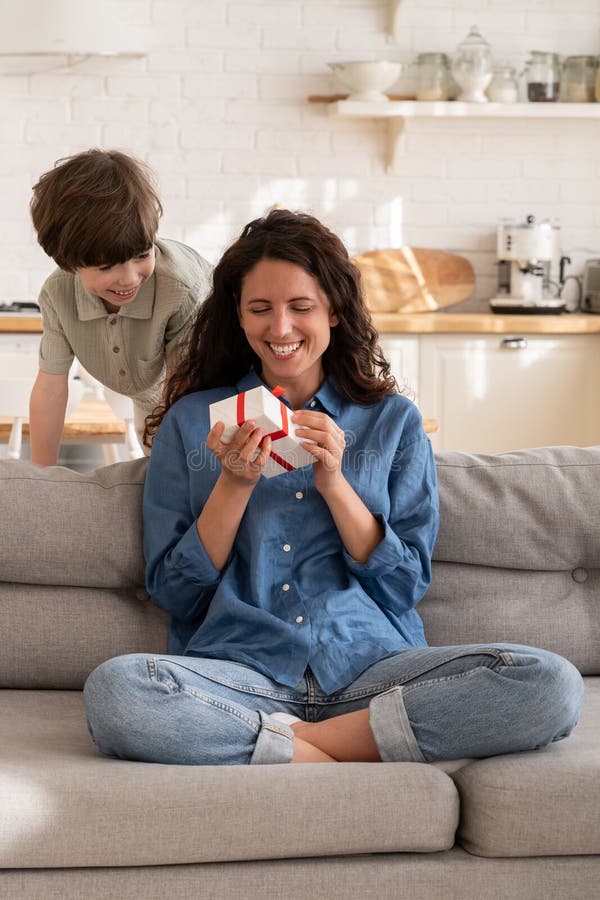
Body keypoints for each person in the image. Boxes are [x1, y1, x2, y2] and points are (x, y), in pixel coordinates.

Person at [83, 209, 583, 766]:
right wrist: (235, 483)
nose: (281, 329)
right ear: (238, 318)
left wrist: (335, 483)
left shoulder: (393, 422)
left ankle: (292, 749)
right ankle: (361, 747)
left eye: (301, 307)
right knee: (118, 691)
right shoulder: (193, 422)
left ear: (335, 312)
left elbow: (404, 586)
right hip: (241, 673)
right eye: (260, 309)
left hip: (371, 668)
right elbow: (176, 594)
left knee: (549, 683)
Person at [28, 148, 212, 464]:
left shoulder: (181, 288)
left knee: (186, 478)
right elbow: (51, 391)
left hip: (208, 395)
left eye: (142, 255)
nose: (128, 279)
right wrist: (42, 475)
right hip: (151, 399)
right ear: (69, 262)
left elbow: (184, 396)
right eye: (106, 266)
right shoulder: (58, 295)